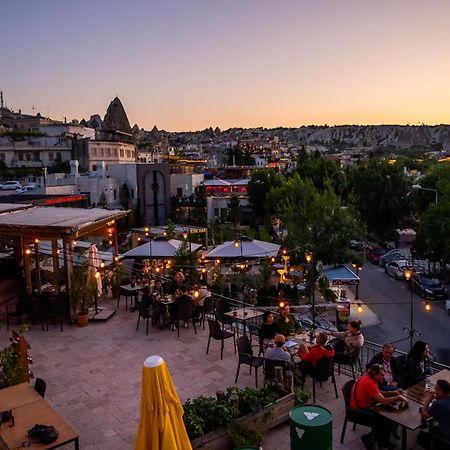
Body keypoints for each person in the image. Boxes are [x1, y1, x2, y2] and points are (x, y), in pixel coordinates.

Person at [351, 364, 409, 450]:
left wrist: (393, 392)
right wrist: (399, 397)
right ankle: (370, 439)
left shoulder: (369, 377)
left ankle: (383, 441)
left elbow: (377, 393)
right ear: (375, 374)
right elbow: (384, 402)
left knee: (390, 416)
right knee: (387, 418)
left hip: (363, 404)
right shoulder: (369, 383)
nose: (383, 377)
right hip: (359, 410)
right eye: (381, 375)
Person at [419, 379, 450, 449]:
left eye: (435, 389)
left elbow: (424, 416)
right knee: (432, 429)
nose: (434, 390)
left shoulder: (440, 403)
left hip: (446, 438)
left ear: (440, 392)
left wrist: (427, 400)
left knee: (420, 437)